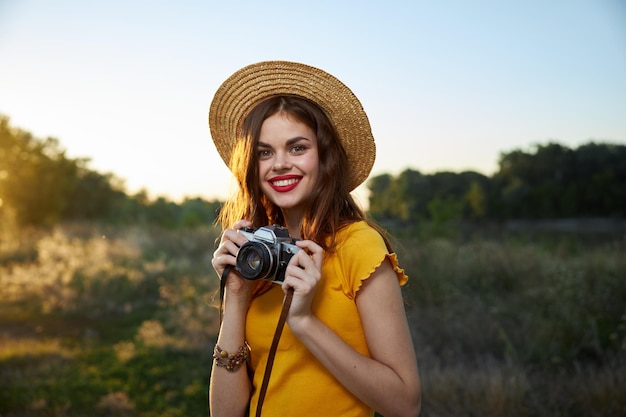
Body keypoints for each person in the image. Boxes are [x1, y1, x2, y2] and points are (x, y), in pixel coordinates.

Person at [208, 60, 421, 417]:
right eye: (264, 152)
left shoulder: (359, 245)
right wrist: (236, 298)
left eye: (297, 148)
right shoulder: (257, 253)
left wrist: (305, 321)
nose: (278, 164)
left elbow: (405, 404)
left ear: (326, 157)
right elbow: (225, 414)